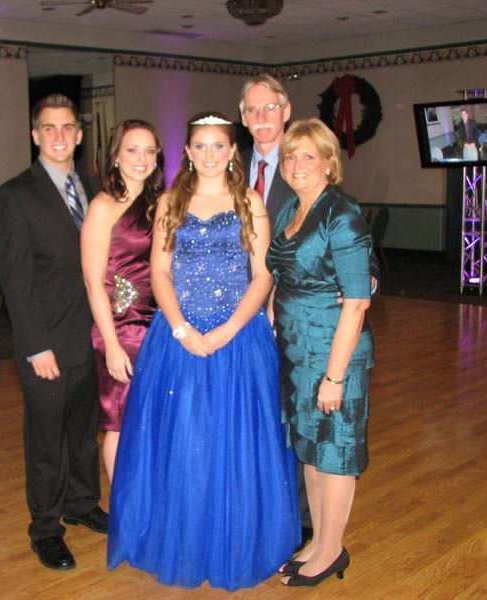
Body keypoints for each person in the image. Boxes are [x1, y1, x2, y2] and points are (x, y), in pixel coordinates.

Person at [107, 112, 300, 591]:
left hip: (239, 338)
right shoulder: (171, 201)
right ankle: (184, 539)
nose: (209, 154)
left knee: (235, 441)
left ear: (233, 151)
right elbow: (159, 272)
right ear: (188, 152)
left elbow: (263, 275)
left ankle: (236, 540)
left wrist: (230, 329)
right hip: (179, 339)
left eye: (219, 145)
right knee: (184, 439)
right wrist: (180, 329)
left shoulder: (249, 201)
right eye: (200, 145)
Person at [238, 73, 379, 548]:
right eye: (252, 109)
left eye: (270, 107)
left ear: (285, 110)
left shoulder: (335, 205)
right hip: (271, 336)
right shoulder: (228, 168)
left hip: (326, 339)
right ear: (243, 118)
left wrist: (364, 282)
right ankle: (290, 526)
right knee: (297, 436)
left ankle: (317, 539)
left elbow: (359, 265)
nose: (261, 117)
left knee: (331, 444)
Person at [0, 94, 107, 572]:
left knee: (83, 431)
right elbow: (16, 282)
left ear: (79, 135)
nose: (58, 136)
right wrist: (36, 346)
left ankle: (81, 503)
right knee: (46, 440)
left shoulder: (95, 187)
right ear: (35, 135)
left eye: (66, 128)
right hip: (47, 342)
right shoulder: (15, 195)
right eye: (48, 128)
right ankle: (45, 527)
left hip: (91, 337)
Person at [266, 119, 374, 587]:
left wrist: (335, 376)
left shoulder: (341, 213)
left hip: (333, 351)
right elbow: (281, 276)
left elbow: (357, 301)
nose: (296, 165)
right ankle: (316, 542)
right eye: (289, 156)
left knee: (335, 451)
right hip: (295, 351)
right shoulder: (291, 208)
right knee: (310, 449)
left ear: (330, 163)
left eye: (308, 156)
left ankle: (332, 549)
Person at [81, 120, 164, 482]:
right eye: (132, 150)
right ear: (116, 155)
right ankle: (125, 507)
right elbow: (93, 282)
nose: (141, 159)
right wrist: (112, 345)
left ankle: (148, 500)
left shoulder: (160, 202)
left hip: (158, 327)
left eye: (149, 151)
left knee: (152, 420)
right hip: (120, 330)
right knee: (120, 423)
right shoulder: (103, 206)